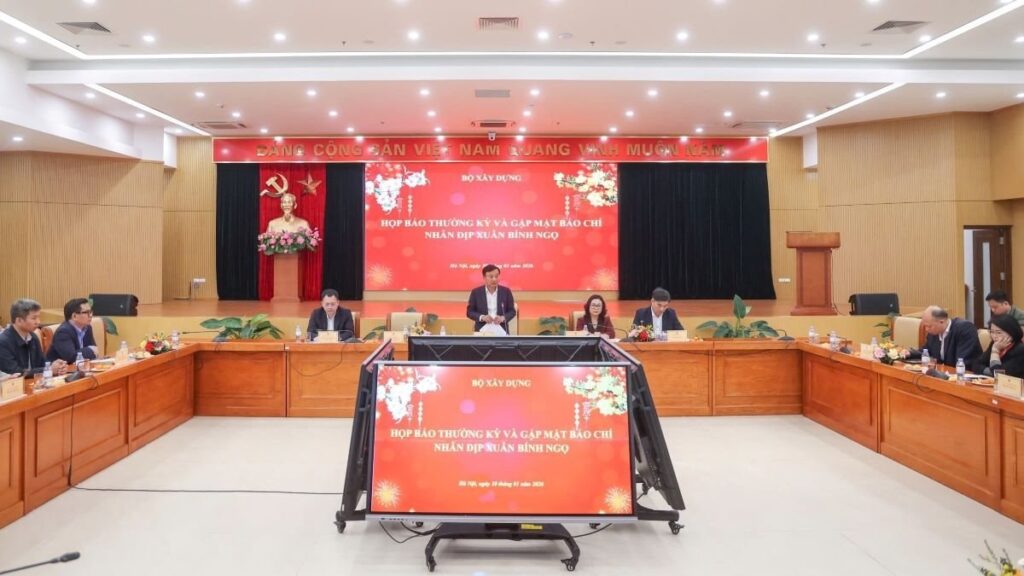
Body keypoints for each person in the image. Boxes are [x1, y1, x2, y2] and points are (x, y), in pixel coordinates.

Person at [0, 299, 68, 376]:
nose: (38, 322)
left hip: (36, 381)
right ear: (19, 320)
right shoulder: (3, 342)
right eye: (34, 318)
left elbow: (42, 363)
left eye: (38, 317)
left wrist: (57, 366)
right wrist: (48, 369)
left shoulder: (32, 337)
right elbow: (14, 372)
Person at [913, 305, 983, 368]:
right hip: (944, 373)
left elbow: (962, 361)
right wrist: (909, 353)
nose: (926, 329)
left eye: (929, 326)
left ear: (941, 322)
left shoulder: (964, 328)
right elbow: (926, 352)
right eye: (925, 326)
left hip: (967, 373)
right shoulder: (934, 333)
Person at [46, 298, 99, 363]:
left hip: (80, 366)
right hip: (61, 368)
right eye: (87, 312)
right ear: (74, 316)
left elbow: (95, 351)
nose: (90, 315)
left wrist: (91, 351)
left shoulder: (87, 328)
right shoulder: (63, 332)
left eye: (91, 312)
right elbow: (71, 357)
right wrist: (90, 350)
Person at [466, 264, 516, 333]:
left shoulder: (506, 291)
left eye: (496, 276)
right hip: (482, 330)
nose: (494, 279)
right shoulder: (476, 292)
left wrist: (502, 318)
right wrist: (482, 317)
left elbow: (512, 311)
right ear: (484, 277)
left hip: (501, 330)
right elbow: (469, 312)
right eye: (491, 277)